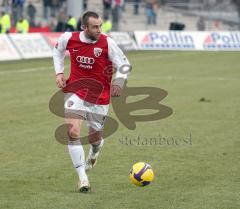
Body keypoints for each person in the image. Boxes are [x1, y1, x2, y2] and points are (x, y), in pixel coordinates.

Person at [53, 11, 131, 193]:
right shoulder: (69, 38)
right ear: (84, 27)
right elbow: (57, 51)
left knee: (95, 138)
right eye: (95, 27)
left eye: (100, 26)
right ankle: (83, 179)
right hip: (76, 91)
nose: (99, 30)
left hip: (100, 97)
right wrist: (59, 72)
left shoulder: (107, 43)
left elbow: (125, 64)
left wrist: (119, 81)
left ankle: (95, 150)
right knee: (72, 131)